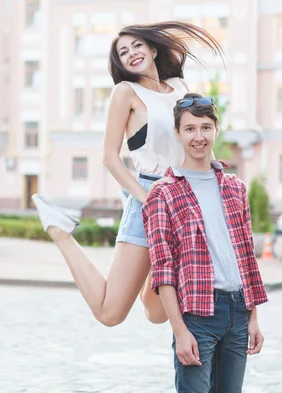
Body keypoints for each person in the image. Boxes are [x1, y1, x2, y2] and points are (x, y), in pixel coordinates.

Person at [31, 22, 224, 326]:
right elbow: (110, 158)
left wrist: (218, 185)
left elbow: (199, 143)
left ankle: (151, 268)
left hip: (185, 199)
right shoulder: (126, 93)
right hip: (149, 198)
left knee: (157, 312)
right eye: (123, 52)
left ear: (153, 48)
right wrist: (148, 200)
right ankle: (60, 231)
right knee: (111, 313)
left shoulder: (180, 88)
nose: (131, 53)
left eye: (137, 46)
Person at [142, 93, 268, 393]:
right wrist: (180, 331)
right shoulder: (165, 193)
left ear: (216, 128)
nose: (198, 136)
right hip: (198, 317)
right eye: (189, 129)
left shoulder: (235, 187)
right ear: (178, 133)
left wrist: (252, 318)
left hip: (238, 314)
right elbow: (163, 271)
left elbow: (246, 258)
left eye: (205, 127)